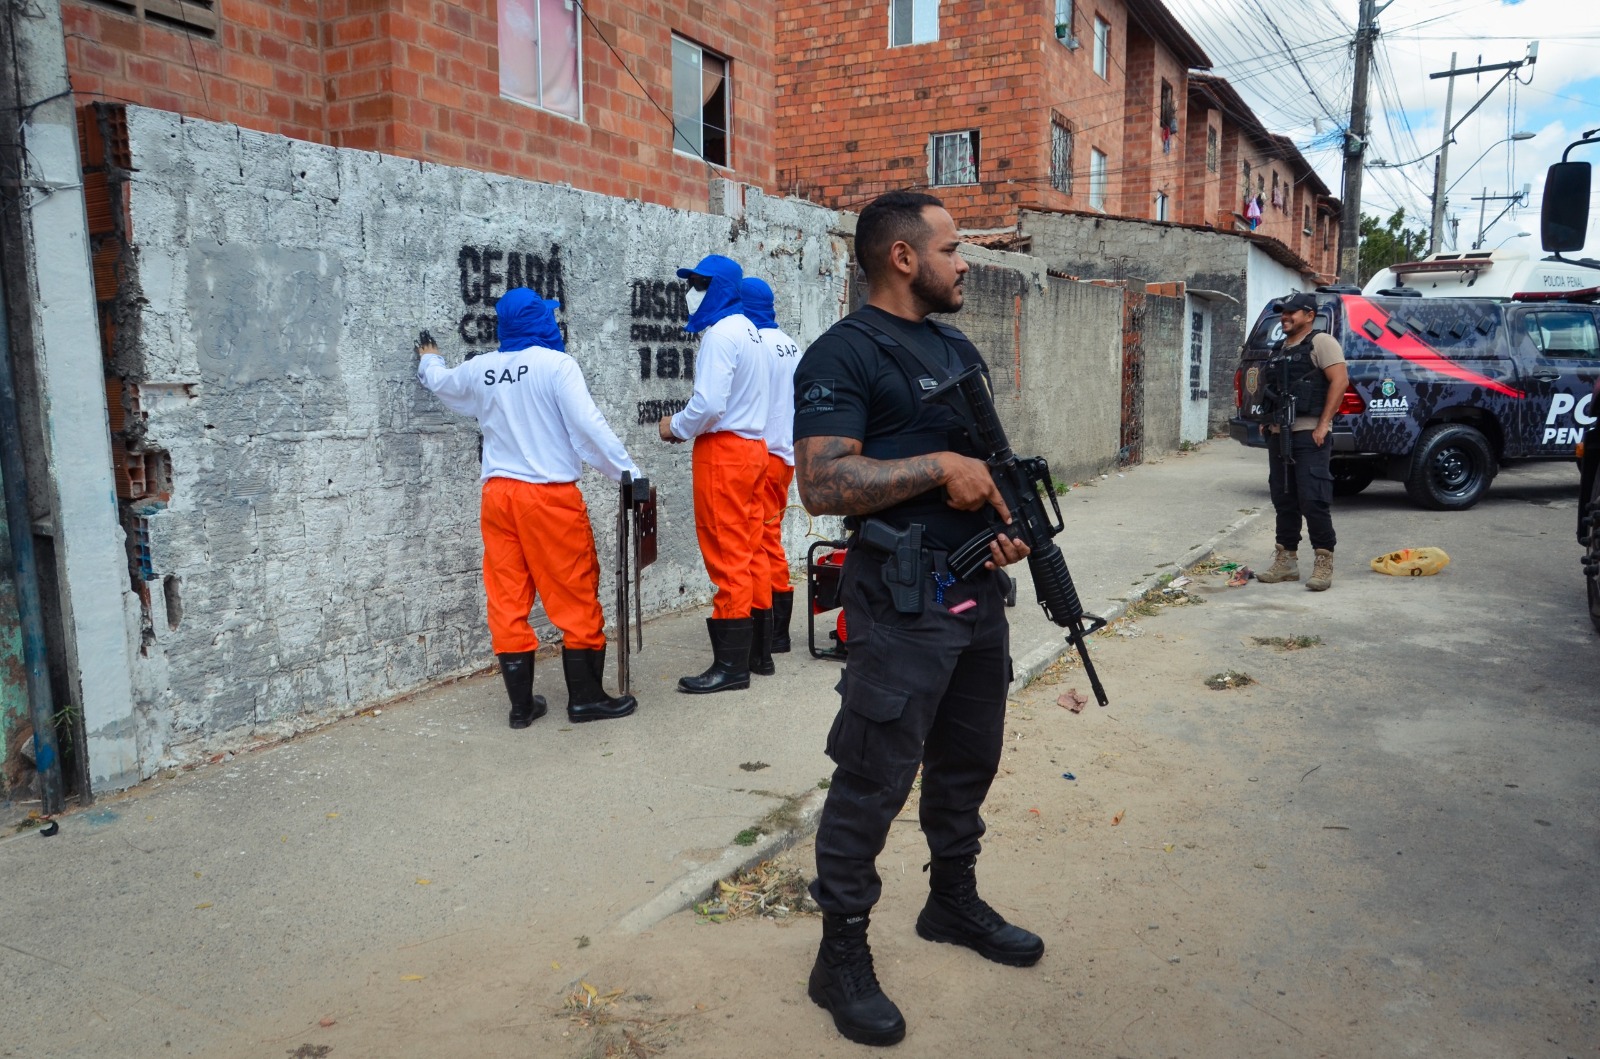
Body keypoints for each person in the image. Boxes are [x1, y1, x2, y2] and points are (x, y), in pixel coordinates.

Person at [791, 191, 1039, 1048]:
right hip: (900, 598)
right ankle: (841, 955)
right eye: (953, 246)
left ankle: (951, 900)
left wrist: (1005, 530)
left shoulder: (954, 344)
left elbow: (989, 466)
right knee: (873, 775)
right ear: (903, 257)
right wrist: (938, 468)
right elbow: (823, 485)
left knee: (969, 757)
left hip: (973, 596)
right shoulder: (843, 354)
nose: (964, 260)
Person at [417, 288, 641, 727]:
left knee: (507, 596)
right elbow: (587, 427)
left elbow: (441, 382)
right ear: (540, 320)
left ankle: (521, 706)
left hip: (498, 497)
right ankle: (586, 699)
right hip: (548, 498)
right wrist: (628, 474)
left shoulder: (482, 368)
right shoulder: (556, 365)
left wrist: (428, 358)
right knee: (573, 593)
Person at [658, 255, 771, 693]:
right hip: (754, 449)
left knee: (727, 555)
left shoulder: (721, 335)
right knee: (750, 547)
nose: (692, 293)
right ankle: (756, 654)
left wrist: (675, 427)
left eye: (700, 284)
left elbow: (708, 405)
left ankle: (731, 667)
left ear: (719, 288)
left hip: (725, 453)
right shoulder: (751, 331)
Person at [1254, 291, 1349, 591]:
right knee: (1284, 498)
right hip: (1278, 434)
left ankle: (1323, 560)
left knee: (1313, 497)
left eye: (1292, 312)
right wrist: (1266, 421)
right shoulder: (1280, 348)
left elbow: (1340, 381)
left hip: (1309, 433)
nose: (1285, 316)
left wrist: (1323, 425)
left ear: (1309, 315)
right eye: (1283, 312)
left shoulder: (1321, 342)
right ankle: (1287, 560)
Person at [740, 275, 803, 659]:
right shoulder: (790, 346)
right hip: (785, 458)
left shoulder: (754, 344)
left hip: (761, 457)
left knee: (762, 542)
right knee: (770, 536)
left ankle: (773, 631)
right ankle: (774, 628)